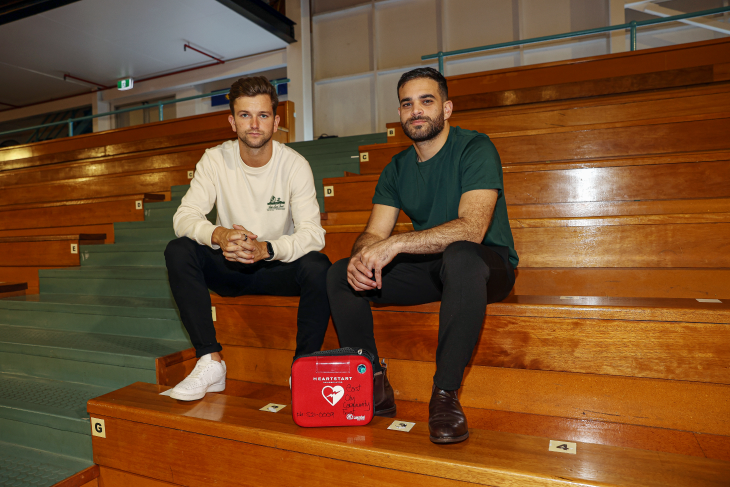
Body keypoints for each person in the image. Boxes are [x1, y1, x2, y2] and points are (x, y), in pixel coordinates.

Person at [326, 67, 518, 443]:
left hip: (485, 264)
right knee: (339, 273)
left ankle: (445, 396)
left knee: (461, 255)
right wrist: (364, 257)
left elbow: (471, 229)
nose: (416, 111)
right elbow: (372, 234)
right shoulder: (396, 168)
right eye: (407, 103)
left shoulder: (475, 148)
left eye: (426, 101)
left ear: (446, 109)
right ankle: (374, 385)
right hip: (436, 266)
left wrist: (396, 244)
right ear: (400, 113)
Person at [165, 76, 331, 401]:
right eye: (245, 115)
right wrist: (220, 234)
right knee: (179, 250)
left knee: (319, 266)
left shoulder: (295, 165)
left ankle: (303, 370)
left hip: (275, 267)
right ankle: (210, 361)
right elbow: (183, 217)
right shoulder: (214, 159)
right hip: (230, 267)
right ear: (232, 121)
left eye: (263, 115)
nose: (254, 124)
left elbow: (313, 234)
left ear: (276, 121)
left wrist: (267, 249)